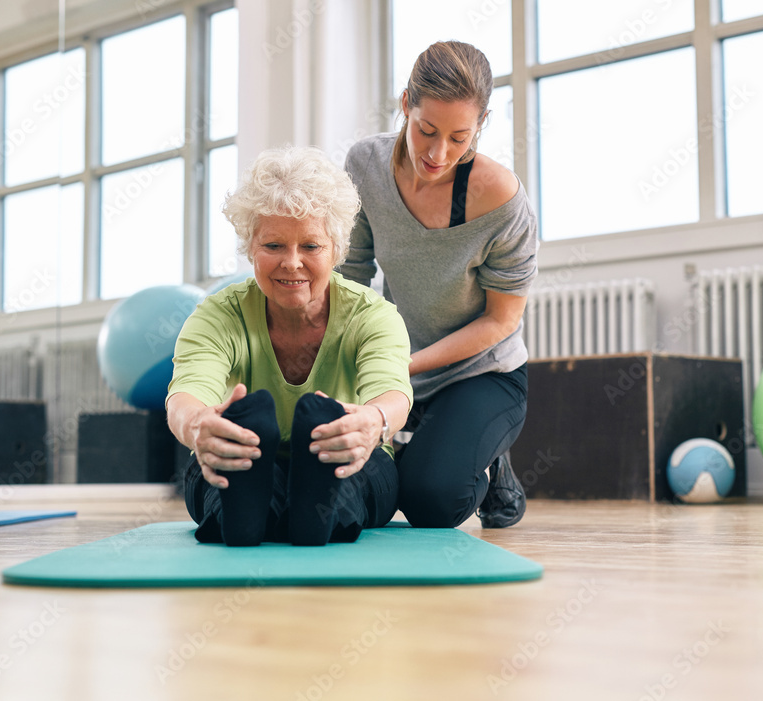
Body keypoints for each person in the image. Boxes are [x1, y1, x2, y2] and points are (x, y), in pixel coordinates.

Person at [167, 146, 413, 546]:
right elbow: (185, 396)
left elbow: (393, 394)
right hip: (245, 455)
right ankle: (269, 512)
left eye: (311, 247)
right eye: (274, 246)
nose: (292, 263)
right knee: (227, 470)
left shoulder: (373, 315)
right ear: (250, 248)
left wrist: (373, 423)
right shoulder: (217, 314)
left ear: (336, 250)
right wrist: (198, 427)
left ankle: (294, 510)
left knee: (346, 479)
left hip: (347, 453)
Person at [339, 41, 538, 529]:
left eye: (459, 137)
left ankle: (487, 459)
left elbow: (501, 320)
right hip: (396, 367)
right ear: (406, 103)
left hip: (482, 373)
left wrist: (403, 366)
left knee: (432, 503)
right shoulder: (365, 165)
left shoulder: (503, 200)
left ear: (482, 123)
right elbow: (351, 275)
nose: (438, 152)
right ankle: (435, 442)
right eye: (426, 130)